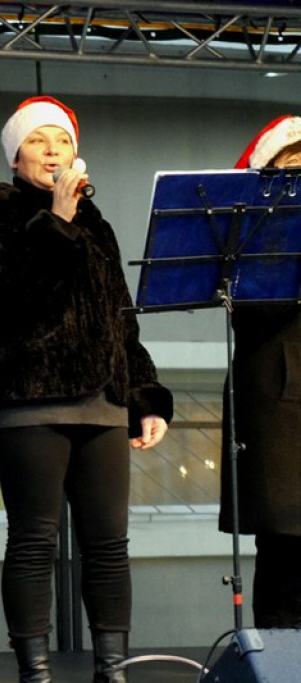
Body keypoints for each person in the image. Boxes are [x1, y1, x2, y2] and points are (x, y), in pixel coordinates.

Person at [0, 96, 173, 683]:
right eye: (38, 140)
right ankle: (36, 671)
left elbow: (118, 317)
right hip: (29, 398)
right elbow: (13, 299)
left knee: (108, 543)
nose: (53, 149)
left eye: (62, 139)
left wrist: (145, 395)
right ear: (15, 156)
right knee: (34, 540)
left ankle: (113, 669)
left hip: (103, 399)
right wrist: (56, 218)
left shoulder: (96, 220)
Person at [221, 115, 301, 629]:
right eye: (292, 161)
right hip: (277, 399)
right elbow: (251, 314)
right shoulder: (250, 228)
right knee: (286, 543)